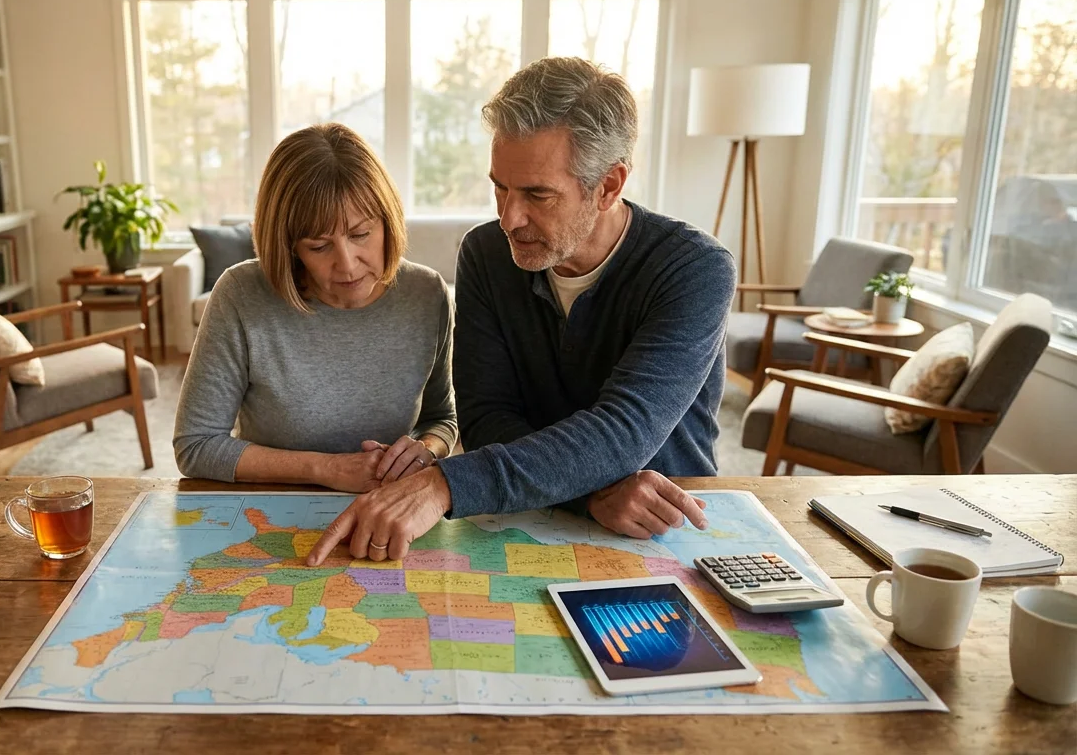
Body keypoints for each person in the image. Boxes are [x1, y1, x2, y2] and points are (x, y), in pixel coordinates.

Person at [308, 57, 736, 565]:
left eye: (537, 194)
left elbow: (624, 432)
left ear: (608, 186)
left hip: (665, 530)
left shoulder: (695, 269)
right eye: (500, 187)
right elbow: (486, 417)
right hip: (531, 522)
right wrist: (589, 495)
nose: (509, 218)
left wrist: (443, 485)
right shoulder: (485, 254)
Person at [173, 123, 457, 494]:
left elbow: (442, 418)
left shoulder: (427, 293)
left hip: (386, 504)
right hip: (271, 507)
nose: (348, 265)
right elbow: (195, 446)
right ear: (290, 247)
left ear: (388, 222)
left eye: (360, 234)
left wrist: (427, 449)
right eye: (319, 246)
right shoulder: (240, 294)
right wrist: (327, 469)